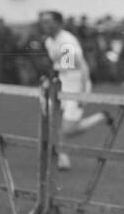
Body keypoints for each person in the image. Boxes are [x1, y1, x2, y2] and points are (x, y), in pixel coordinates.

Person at [38, 10, 113, 170]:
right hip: (61, 85)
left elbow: (82, 67)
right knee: (52, 122)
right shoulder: (49, 42)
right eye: (43, 22)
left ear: (58, 23)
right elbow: (60, 68)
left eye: (48, 22)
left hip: (76, 86)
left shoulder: (67, 41)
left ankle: (101, 117)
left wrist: (82, 93)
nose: (45, 25)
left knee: (69, 130)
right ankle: (62, 158)